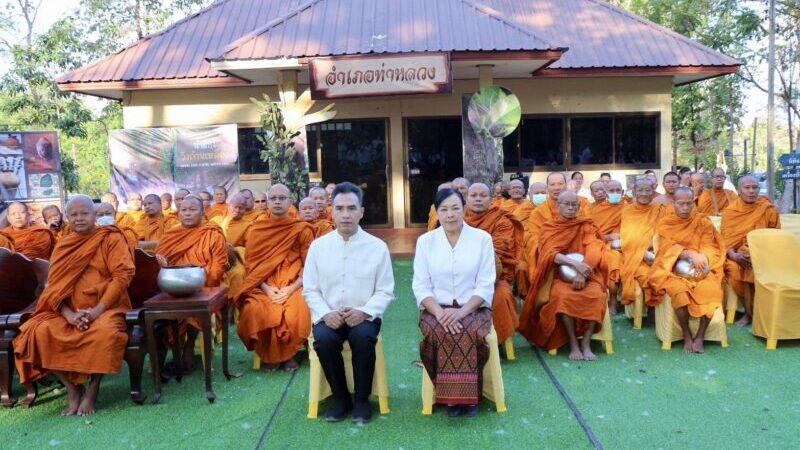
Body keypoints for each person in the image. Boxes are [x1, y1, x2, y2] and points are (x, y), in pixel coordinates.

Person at [14, 195, 135, 416]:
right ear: (67, 217)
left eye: (84, 213)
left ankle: (93, 389)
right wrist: (69, 314)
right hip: (67, 309)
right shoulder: (64, 245)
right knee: (36, 332)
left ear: (94, 215)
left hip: (107, 306)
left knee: (105, 333)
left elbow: (122, 276)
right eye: (74, 215)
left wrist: (97, 311)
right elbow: (54, 286)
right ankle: (72, 388)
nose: (79, 219)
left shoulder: (110, 238)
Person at [303, 182, 394, 424]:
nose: (346, 215)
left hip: (363, 316)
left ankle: (362, 400)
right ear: (332, 212)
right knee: (324, 339)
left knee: (363, 338)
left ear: (361, 212)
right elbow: (310, 289)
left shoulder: (377, 247)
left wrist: (364, 312)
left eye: (351, 208)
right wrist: (325, 313)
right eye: (340, 208)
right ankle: (341, 398)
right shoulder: (318, 247)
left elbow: (385, 291)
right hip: (328, 314)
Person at [413, 188, 496, 418]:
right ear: (436, 213)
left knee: (468, 330)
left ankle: (468, 398)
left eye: (455, 208)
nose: (450, 215)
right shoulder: (425, 242)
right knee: (439, 332)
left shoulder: (482, 239)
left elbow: (486, 283)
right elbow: (420, 286)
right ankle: (451, 398)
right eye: (444, 210)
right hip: (434, 309)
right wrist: (440, 313)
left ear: (464, 210)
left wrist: (462, 312)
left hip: (474, 308)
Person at [519, 191, 608, 361]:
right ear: (557, 206)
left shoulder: (586, 225)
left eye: (574, 204)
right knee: (563, 296)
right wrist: (575, 265)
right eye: (566, 204)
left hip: (588, 272)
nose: (570, 207)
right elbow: (549, 253)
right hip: (559, 276)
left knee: (597, 295)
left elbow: (594, 247)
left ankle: (586, 343)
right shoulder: (549, 227)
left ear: (579, 206)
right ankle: (573, 343)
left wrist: (584, 270)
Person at [236, 184, 314, 372]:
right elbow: (251, 267)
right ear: (267, 203)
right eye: (273, 198)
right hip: (264, 286)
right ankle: (271, 354)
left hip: (294, 284)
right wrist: (267, 289)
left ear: (290, 202)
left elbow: (310, 265)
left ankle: (290, 354)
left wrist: (291, 288)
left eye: (282, 198)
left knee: (299, 307)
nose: (277, 202)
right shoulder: (256, 230)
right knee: (254, 308)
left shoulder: (301, 229)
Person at [154, 195, 228, 372]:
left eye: (192, 210)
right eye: (183, 210)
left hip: (205, 284)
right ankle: (175, 351)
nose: (187, 214)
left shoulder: (212, 232)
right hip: (173, 286)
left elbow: (219, 265)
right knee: (163, 313)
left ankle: (188, 347)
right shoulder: (172, 234)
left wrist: (202, 279)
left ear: (202, 212)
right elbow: (159, 261)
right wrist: (161, 264)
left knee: (192, 311)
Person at [648, 187, 725, 353]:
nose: (685, 208)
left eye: (689, 203)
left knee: (712, 290)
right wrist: (688, 253)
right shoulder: (666, 222)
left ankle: (700, 336)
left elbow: (710, 245)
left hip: (700, 269)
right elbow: (666, 247)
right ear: (673, 203)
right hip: (673, 270)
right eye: (680, 204)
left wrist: (703, 257)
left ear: (693, 203)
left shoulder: (702, 221)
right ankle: (687, 334)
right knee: (679, 292)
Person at [465, 183, 523, 347]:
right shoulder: (457, 218)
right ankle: (461, 343)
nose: (478, 199)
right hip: (457, 277)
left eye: (483, 195)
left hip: (494, 277)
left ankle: (494, 343)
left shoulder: (501, 220)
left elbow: (498, 251)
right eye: (473, 195)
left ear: (491, 199)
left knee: (501, 297)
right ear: (466, 199)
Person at [720, 175, 780, 326]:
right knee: (734, 269)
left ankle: (755, 313)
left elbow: (775, 233)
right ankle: (749, 312)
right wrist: (733, 255)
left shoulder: (767, 208)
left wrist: (759, 251)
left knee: (754, 267)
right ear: (739, 191)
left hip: (764, 252)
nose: (751, 191)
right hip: (735, 255)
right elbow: (725, 239)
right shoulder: (731, 211)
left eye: (755, 188)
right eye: (747, 188)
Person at [620, 178, 665, 322]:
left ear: (654, 192)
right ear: (634, 192)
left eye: (648, 190)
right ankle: (651, 310)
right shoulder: (628, 211)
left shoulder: (660, 209)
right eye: (640, 190)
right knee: (646, 275)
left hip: (657, 253)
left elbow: (664, 233)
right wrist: (642, 253)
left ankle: (657, 310)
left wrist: (655, 250)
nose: (644, 193)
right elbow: (627, 238)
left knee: (662, 272)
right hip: (635, 256)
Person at [588, 180, 623, 314]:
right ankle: (603, 298)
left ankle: (613, 300)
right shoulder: (594, 210)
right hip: (597, 242)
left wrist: (620, 235)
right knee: (604, 257)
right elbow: (588, 230)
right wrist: (606, 237)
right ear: (606, 193)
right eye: (611, 191)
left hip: (621, 244)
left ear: (622, 192)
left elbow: (632, 228)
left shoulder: (628, 208)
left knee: (613, 257)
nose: (614, 193)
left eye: (617, 190)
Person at [211, 193, 253, 301]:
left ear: (245, 209)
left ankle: (234, 305)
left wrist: (234, 250)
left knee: (238, 273)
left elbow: (250, 247)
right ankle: (215, 307)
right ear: (229, 206)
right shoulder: (215, 221)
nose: (237, 210)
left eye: (241, 208)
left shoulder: (248, 225)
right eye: (235, 207)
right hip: (215, 257)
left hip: (236, 259)